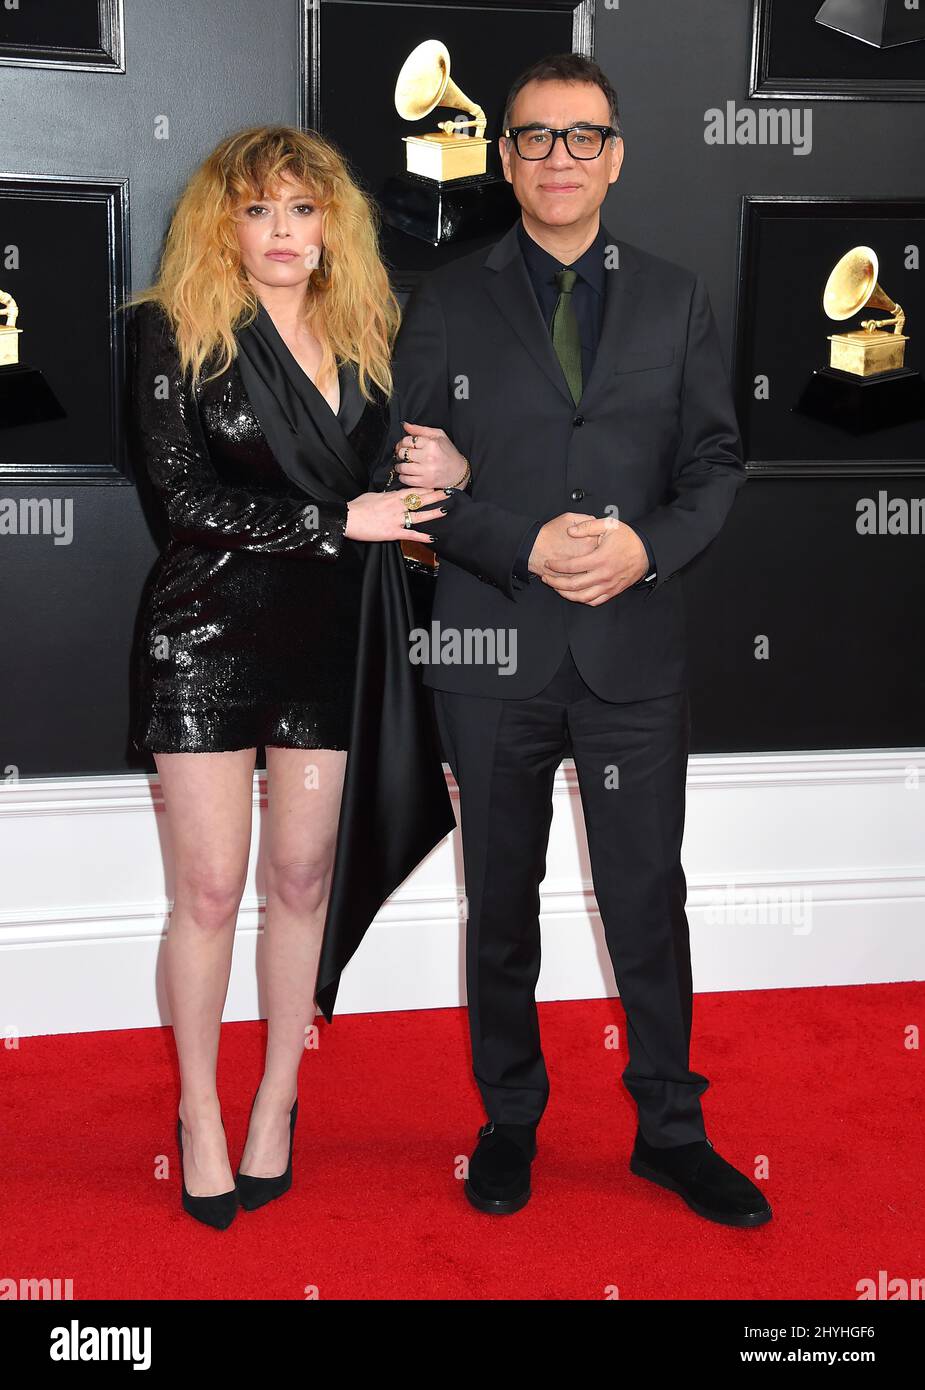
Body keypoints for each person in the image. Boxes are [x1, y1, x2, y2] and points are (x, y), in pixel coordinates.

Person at [386, 54, 772, 1227]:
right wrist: (520, 540)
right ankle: (510, 1117)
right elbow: (406, 481)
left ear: (616, 154)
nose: (560, 158)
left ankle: (671, 1129)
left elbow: (713, 463)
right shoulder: (443, 299)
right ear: (503, 158)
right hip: (490, 651)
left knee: (646, 894)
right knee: (499, 899)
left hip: (631, 652)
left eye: (583, 137)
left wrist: (642, 550)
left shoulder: (676, 296)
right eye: (536, 137)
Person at [126, 124, 459, 1229]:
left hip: (332, 638)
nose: (281, 231)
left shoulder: (369, 331)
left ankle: (276, 1096)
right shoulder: (170, 330)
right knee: (211, 889)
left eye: (302, 209)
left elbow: (402, 495)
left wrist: (435, 482)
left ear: (333, 224)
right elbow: (180, 502)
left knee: (303, 884)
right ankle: (200, 1113)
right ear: (224, 222)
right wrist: (337, 519)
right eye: (258, 209)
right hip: (207, 636)